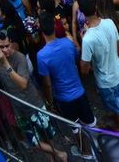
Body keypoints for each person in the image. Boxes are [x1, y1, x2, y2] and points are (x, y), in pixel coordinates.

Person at [0, 30, 67, 162]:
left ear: (11, 43)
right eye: (1, 47)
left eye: (7, 45)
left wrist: (6, 64)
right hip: (19, 109)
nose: (5, 50)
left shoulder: (20, 58)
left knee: (47, 138)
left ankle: (54, 158)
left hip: (34, 104)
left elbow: (23, 83)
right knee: (33, 142)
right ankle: (60, 154)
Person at [37, 11, 96, 157]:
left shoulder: (41, 55)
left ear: (41, 29)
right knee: (91, 123)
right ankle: (100, 148)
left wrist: (50, 103)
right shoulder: (68, 43)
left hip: (64, 99)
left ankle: (87, 153)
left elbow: (47, 84)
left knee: (75, 127)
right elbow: (77, 56)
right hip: (80, 92)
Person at [78, 0, 119, 133]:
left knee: (118, 110)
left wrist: (83, 38)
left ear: (82, 12)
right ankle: (117, 126)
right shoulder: (109, 22)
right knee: (118, 105)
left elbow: (84, 69)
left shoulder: (87, 39)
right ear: (96, 7)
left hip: (106, 82)